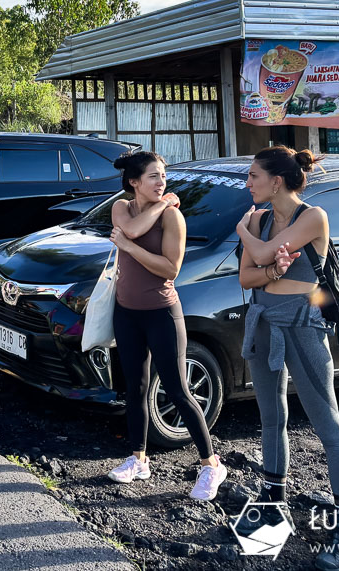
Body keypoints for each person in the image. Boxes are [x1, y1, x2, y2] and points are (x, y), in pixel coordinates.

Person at [235, 146, 339, 571]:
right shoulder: (265, 219)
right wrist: (266, 263)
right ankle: (274, 504)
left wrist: (245, 233)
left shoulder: (313, 216)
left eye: (253, 175)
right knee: (271, 418)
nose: (247, 182)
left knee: (327, 423)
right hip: (264, 318)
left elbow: (264, 254)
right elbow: (247, 276)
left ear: (276, 180)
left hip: (304, 323)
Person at [106, 151, 226, 500]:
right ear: (134, 182)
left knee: (177, 390)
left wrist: (130, 245)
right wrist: (158, 207)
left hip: (161, 312)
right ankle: (138, 459)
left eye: (163, 176)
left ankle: (211, 464)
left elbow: (170, 268)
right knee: (136, 387)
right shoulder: (122, 208)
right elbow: (129, 228)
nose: (162, 182)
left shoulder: (174, 218)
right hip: (126, 311)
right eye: (154, 177)